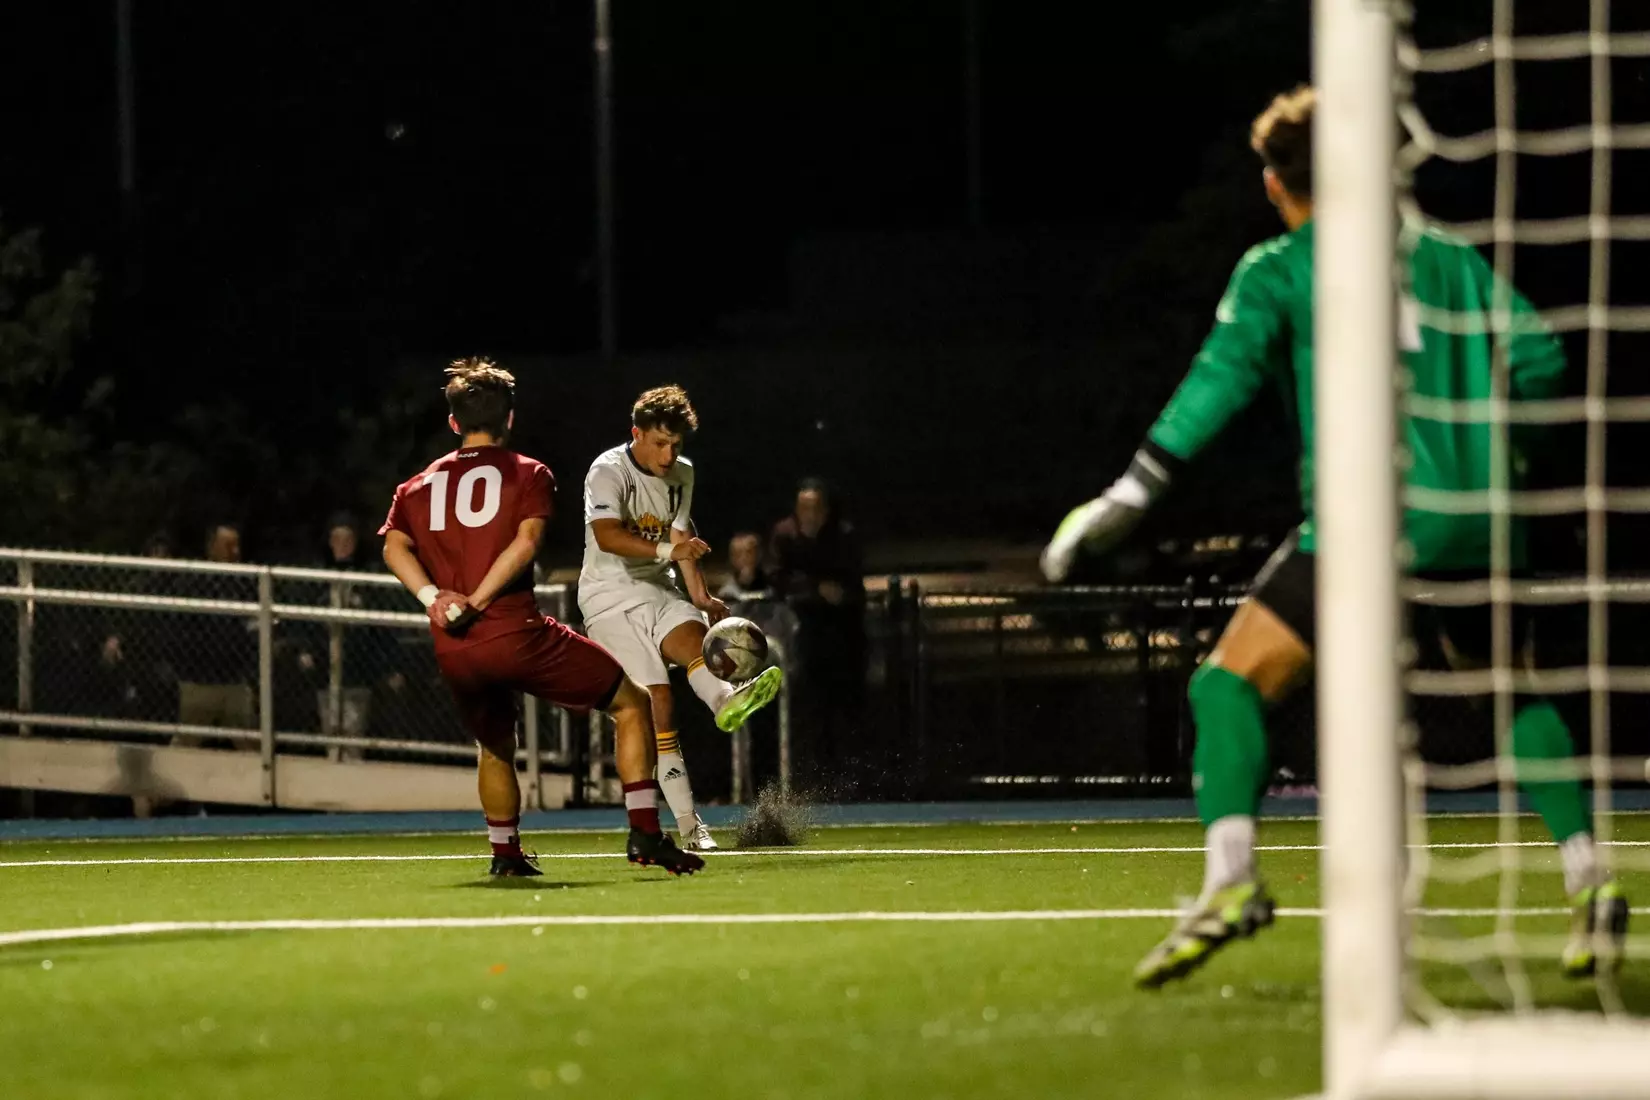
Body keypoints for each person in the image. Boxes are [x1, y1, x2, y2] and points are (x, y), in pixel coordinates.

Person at [1041, 86, 1627, 988]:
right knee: (1515, 693)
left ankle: (1231, 881)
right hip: (1480, 521)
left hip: (1369, 520)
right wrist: (1500, 463)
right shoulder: (1446, 258)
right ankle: (1592, 881)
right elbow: (1543, 356)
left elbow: (1216, 383)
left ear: (1278, 184)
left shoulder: (1281, 267)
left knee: (1226, 684)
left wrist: (1130, 492)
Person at [381, 358, 702, 877]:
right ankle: (645, 833)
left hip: (454, 645)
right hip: (514, 631)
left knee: (494, 745)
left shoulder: (415, 486)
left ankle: (505, 855)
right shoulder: (529, 472)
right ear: (510, 417)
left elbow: (394, 548)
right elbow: (526, 543)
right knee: (631, 704)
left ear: (453, 423)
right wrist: (481, 599)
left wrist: (434, 599)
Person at [578, 386, 785, 852]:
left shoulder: (682, 474)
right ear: (637, 434)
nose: (669, 455)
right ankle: (690, 825)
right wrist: (672, 551)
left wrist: (703, 596)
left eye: (676, 445)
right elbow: (608, 537)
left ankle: (725, 701)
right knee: (661, 705)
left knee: (698, 641)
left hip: (658, 587)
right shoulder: (607, 471)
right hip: (608, 600)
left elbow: (681, 536)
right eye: (660, 443)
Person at [768, 479, 865, 772]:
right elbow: (776, 578)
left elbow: (854, 583)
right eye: (804, 508)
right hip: (803, 632)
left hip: (843, 633)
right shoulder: (784, 535)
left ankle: (848, 775)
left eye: (816, 508)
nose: (810, 514)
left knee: (846, 707)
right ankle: (813, 776)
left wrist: (839, 594)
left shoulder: (843, 535)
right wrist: (815, 588)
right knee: (809, 707)